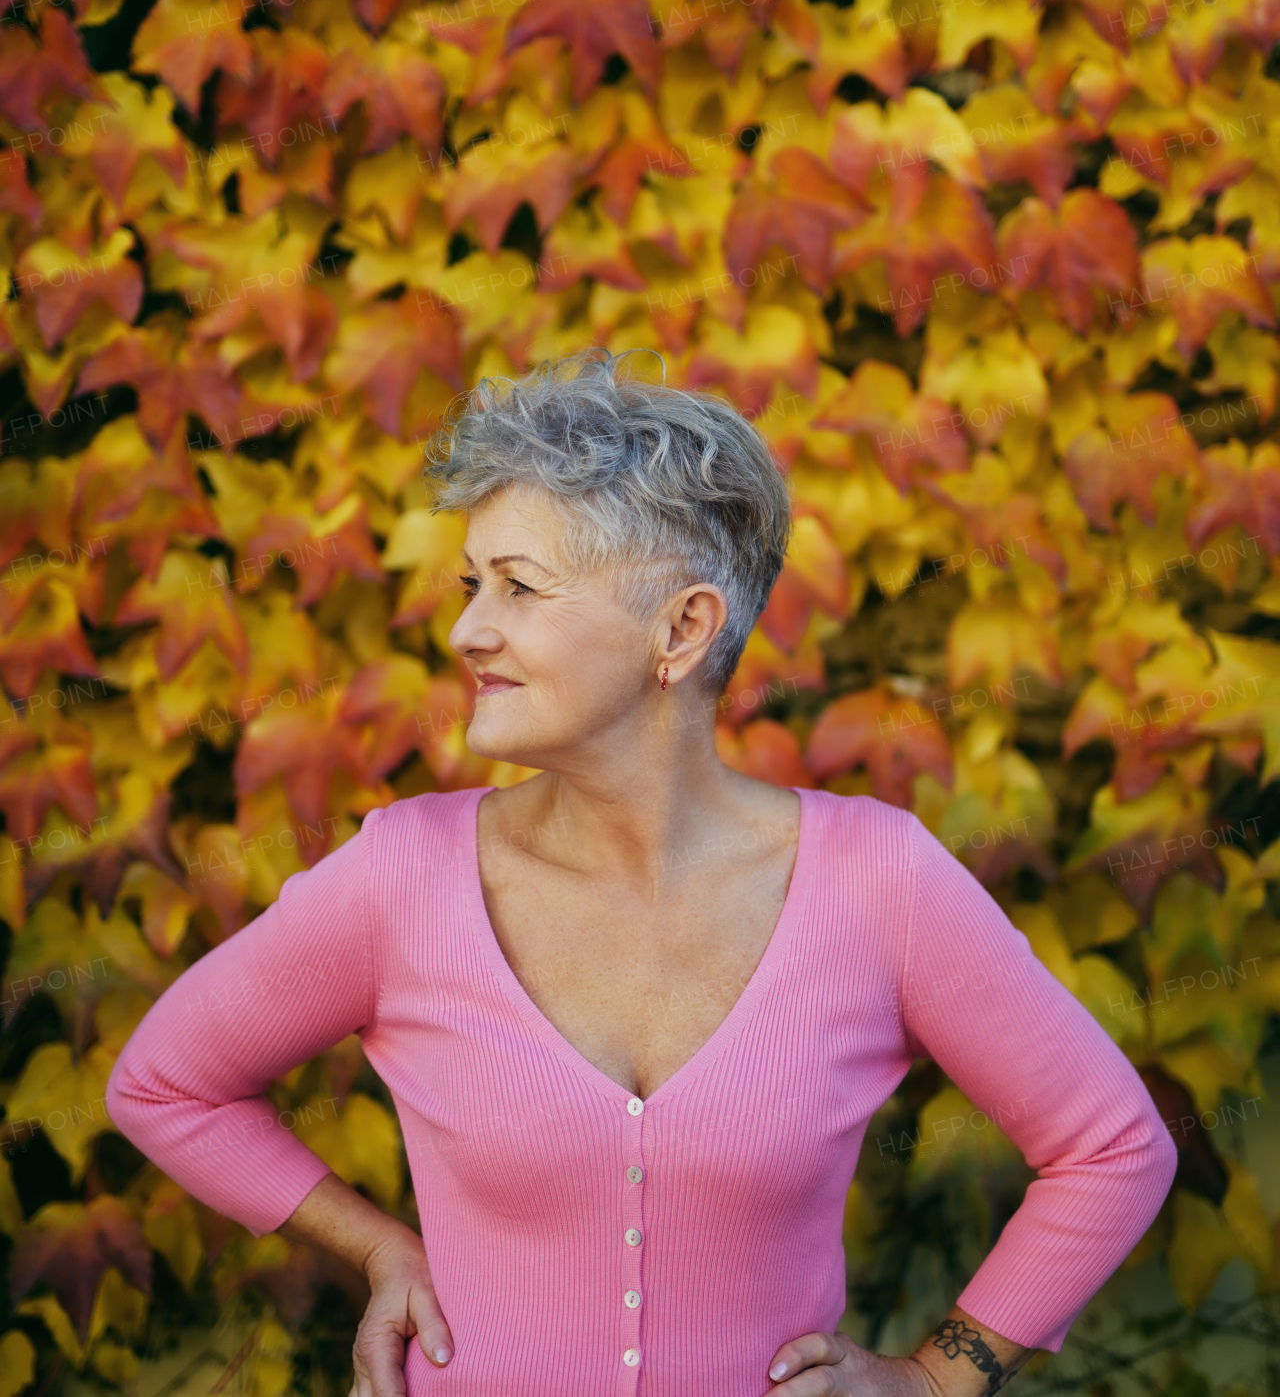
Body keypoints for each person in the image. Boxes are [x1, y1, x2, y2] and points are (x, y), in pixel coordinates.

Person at [106, 348, 1178, 1397]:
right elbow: (166, 1083)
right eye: (471, 585)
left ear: (681, 629)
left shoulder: (877, 881)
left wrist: (939, 1379)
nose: (466, 629)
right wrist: (379, 1246)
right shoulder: (402, 878)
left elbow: (1110, 1149)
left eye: (519, 588)